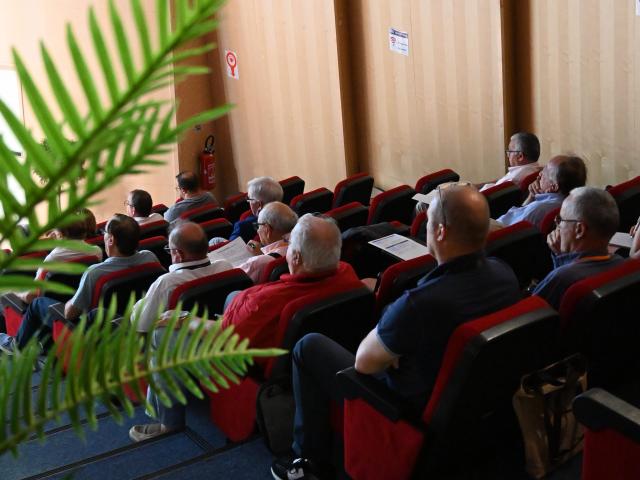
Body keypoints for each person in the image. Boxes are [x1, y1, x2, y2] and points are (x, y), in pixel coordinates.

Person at [271, 185, 522, 479]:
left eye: (428, 222)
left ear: (440, 232)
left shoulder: (421, 304)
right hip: (473, 407)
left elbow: (364, 363)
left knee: (309, 346)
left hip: (406, 408)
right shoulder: (504, 273)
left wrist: (390, 347)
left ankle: (308, 462)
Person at [129, 214, 362, 442]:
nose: (287, 249)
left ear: (297, 258)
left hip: (248, 361)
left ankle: (168, 422)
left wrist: (185, 319)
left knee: (162, 332)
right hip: (284, 344)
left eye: (289, 245)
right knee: (233, 295)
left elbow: (224, 334)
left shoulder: (261, 302)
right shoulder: (348, 273)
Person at [0, 214, 159, 353]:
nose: (102, 235)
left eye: (105, 233)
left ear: (111, 240)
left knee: (37, 303)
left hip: (88, 328)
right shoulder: (149, 257)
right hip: (131, 320)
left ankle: (17, 345)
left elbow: (69, 314)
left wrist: (72, 298)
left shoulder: (95, 273)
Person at [131, 222, 232, 333]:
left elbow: (141, 325)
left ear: (178, 254)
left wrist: (140, 304)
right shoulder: (226, 266)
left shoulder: (167, 283)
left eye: (169, 250)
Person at [532, 187, 624, 309]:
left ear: (579, 230)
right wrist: (562, 259)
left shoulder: (562, 279)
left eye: (560, 220)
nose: (557, 227)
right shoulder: (622, 262)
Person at [13, 209, 103, 305]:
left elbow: (31, 297)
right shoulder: (97, 252)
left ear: (60, 235)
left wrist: (15, 293)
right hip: (78, 302)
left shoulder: (52, 259)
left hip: (50, 309)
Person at [496, 155, 587, 228]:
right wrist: (531, 196)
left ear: (553, 186)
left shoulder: (538, 209)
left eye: (545, 171)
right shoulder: (568, 204)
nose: (540, 174)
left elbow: (504, 229)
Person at [211, 176, 284, 244]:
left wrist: (252, 246)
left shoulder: (244, 226)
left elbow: (236, 247)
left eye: (249, 199)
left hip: (250, 252)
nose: (248, 202)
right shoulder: (290, 217)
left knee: (215, 240)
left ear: (259, 204)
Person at [237, 201, 297, 283]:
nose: (257, 231)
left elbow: (231, 278)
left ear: (267, 229)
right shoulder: (301, 248)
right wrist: (262, 254)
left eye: (258, 226)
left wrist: (260, 257)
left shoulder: (258, 262)